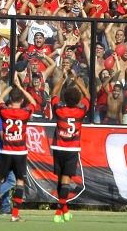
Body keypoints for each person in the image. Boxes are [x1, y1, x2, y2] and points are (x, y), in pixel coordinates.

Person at [0, 80, 37, 222]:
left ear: (10, 99)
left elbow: (0, 99)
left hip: (6, 151)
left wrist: (9, 88)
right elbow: (34, 102)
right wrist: (20, 87)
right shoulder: (25, 113)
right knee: (19, 181)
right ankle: (14, 215)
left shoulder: (5, 111)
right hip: (20, 153)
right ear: (21, 100)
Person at [50, 78, 90, 224]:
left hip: (58, 147)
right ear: (78, 99)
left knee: (61, 179)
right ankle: (58, 211)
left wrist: (62, 79)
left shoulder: (59, 110)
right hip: (71, 148)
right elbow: (88, 97)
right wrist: (79, 81)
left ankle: (65, 211)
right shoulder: (80, 112)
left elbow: (53, 93)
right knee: (66, 180)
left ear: (65, 99)